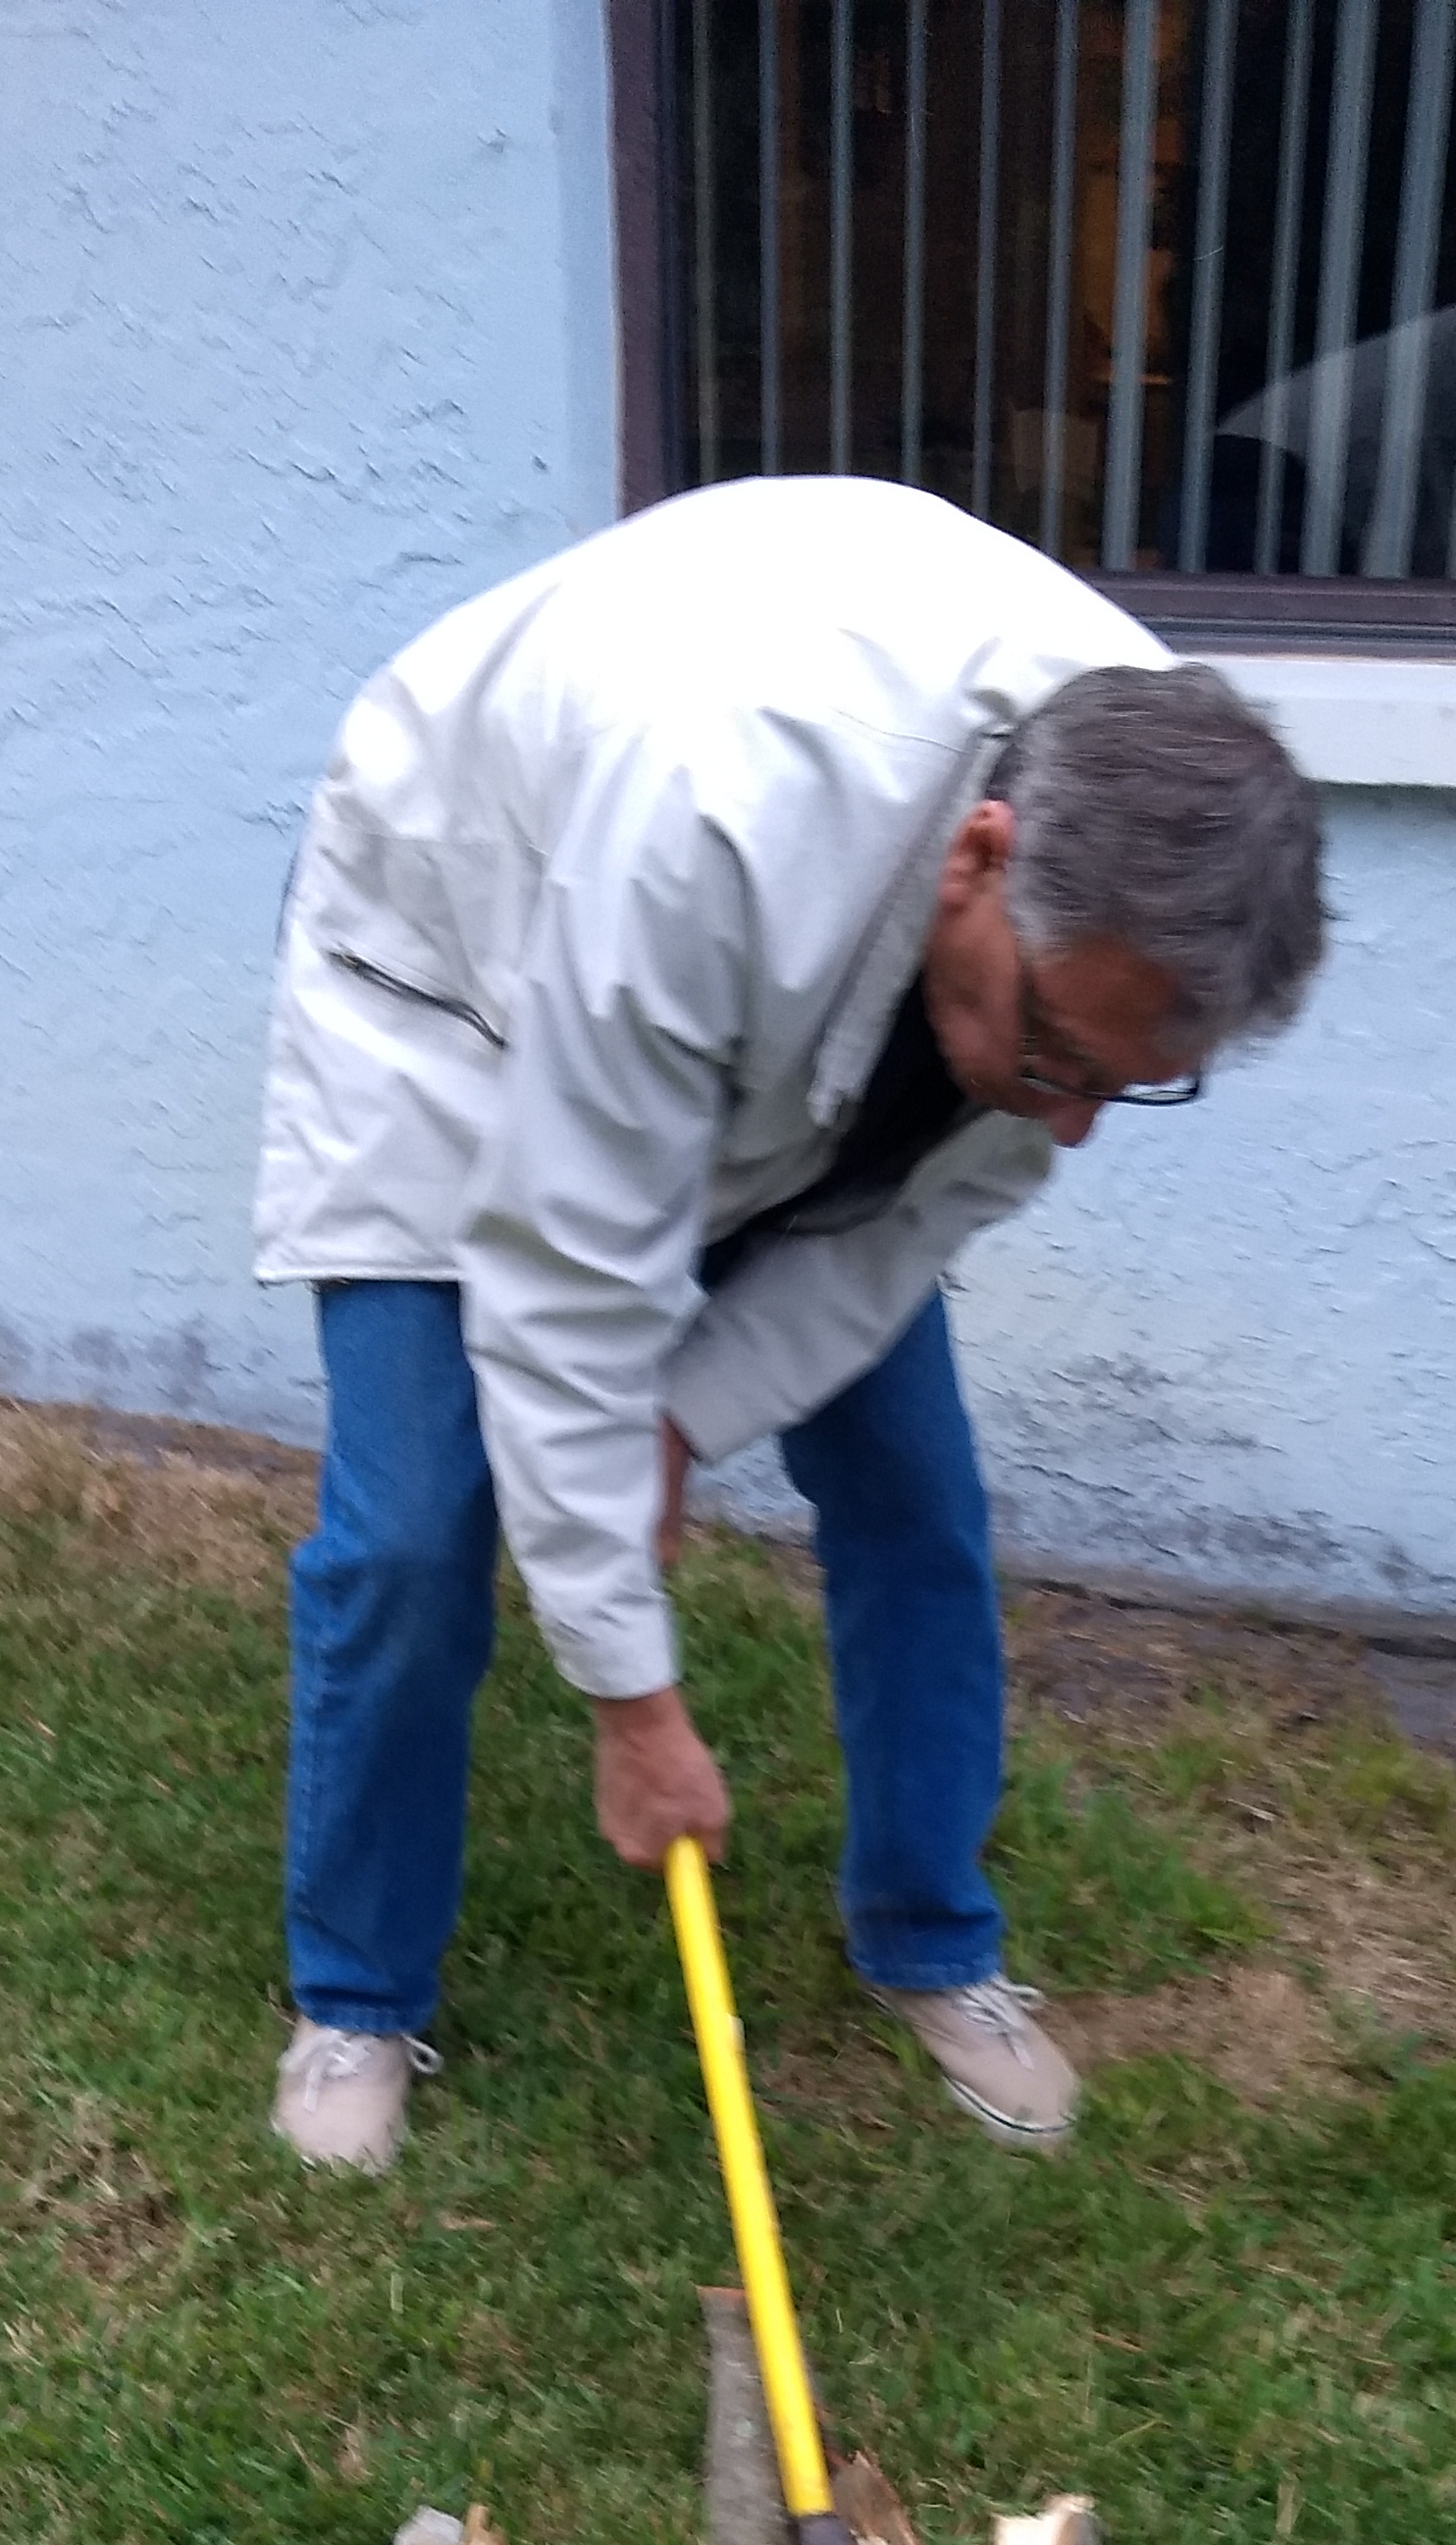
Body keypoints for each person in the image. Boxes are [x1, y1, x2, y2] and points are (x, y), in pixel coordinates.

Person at [252, 472, 1326, 2174]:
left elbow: (904, 1231)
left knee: (914, 1499)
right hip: (465, 963)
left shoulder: (1135, 827)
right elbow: (570, 1283)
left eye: (1128, 1086)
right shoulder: (710, 814)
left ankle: (932, 1940)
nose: (1071, 1128)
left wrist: (685, 1415)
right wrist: (633, 1705)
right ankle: (359, 1994)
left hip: (800, 975)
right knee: (412, 1533)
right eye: (1063, 1060)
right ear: (984, 858)